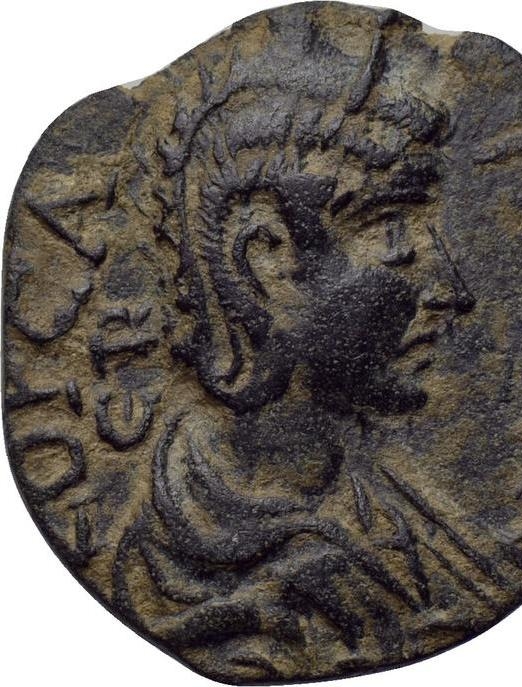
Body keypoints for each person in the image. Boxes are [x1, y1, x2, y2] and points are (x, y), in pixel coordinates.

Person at [114, 11, 475, 677]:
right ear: (263, 264)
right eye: (392, 233)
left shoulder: (397, 515)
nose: (450, 290)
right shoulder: (185, 575)